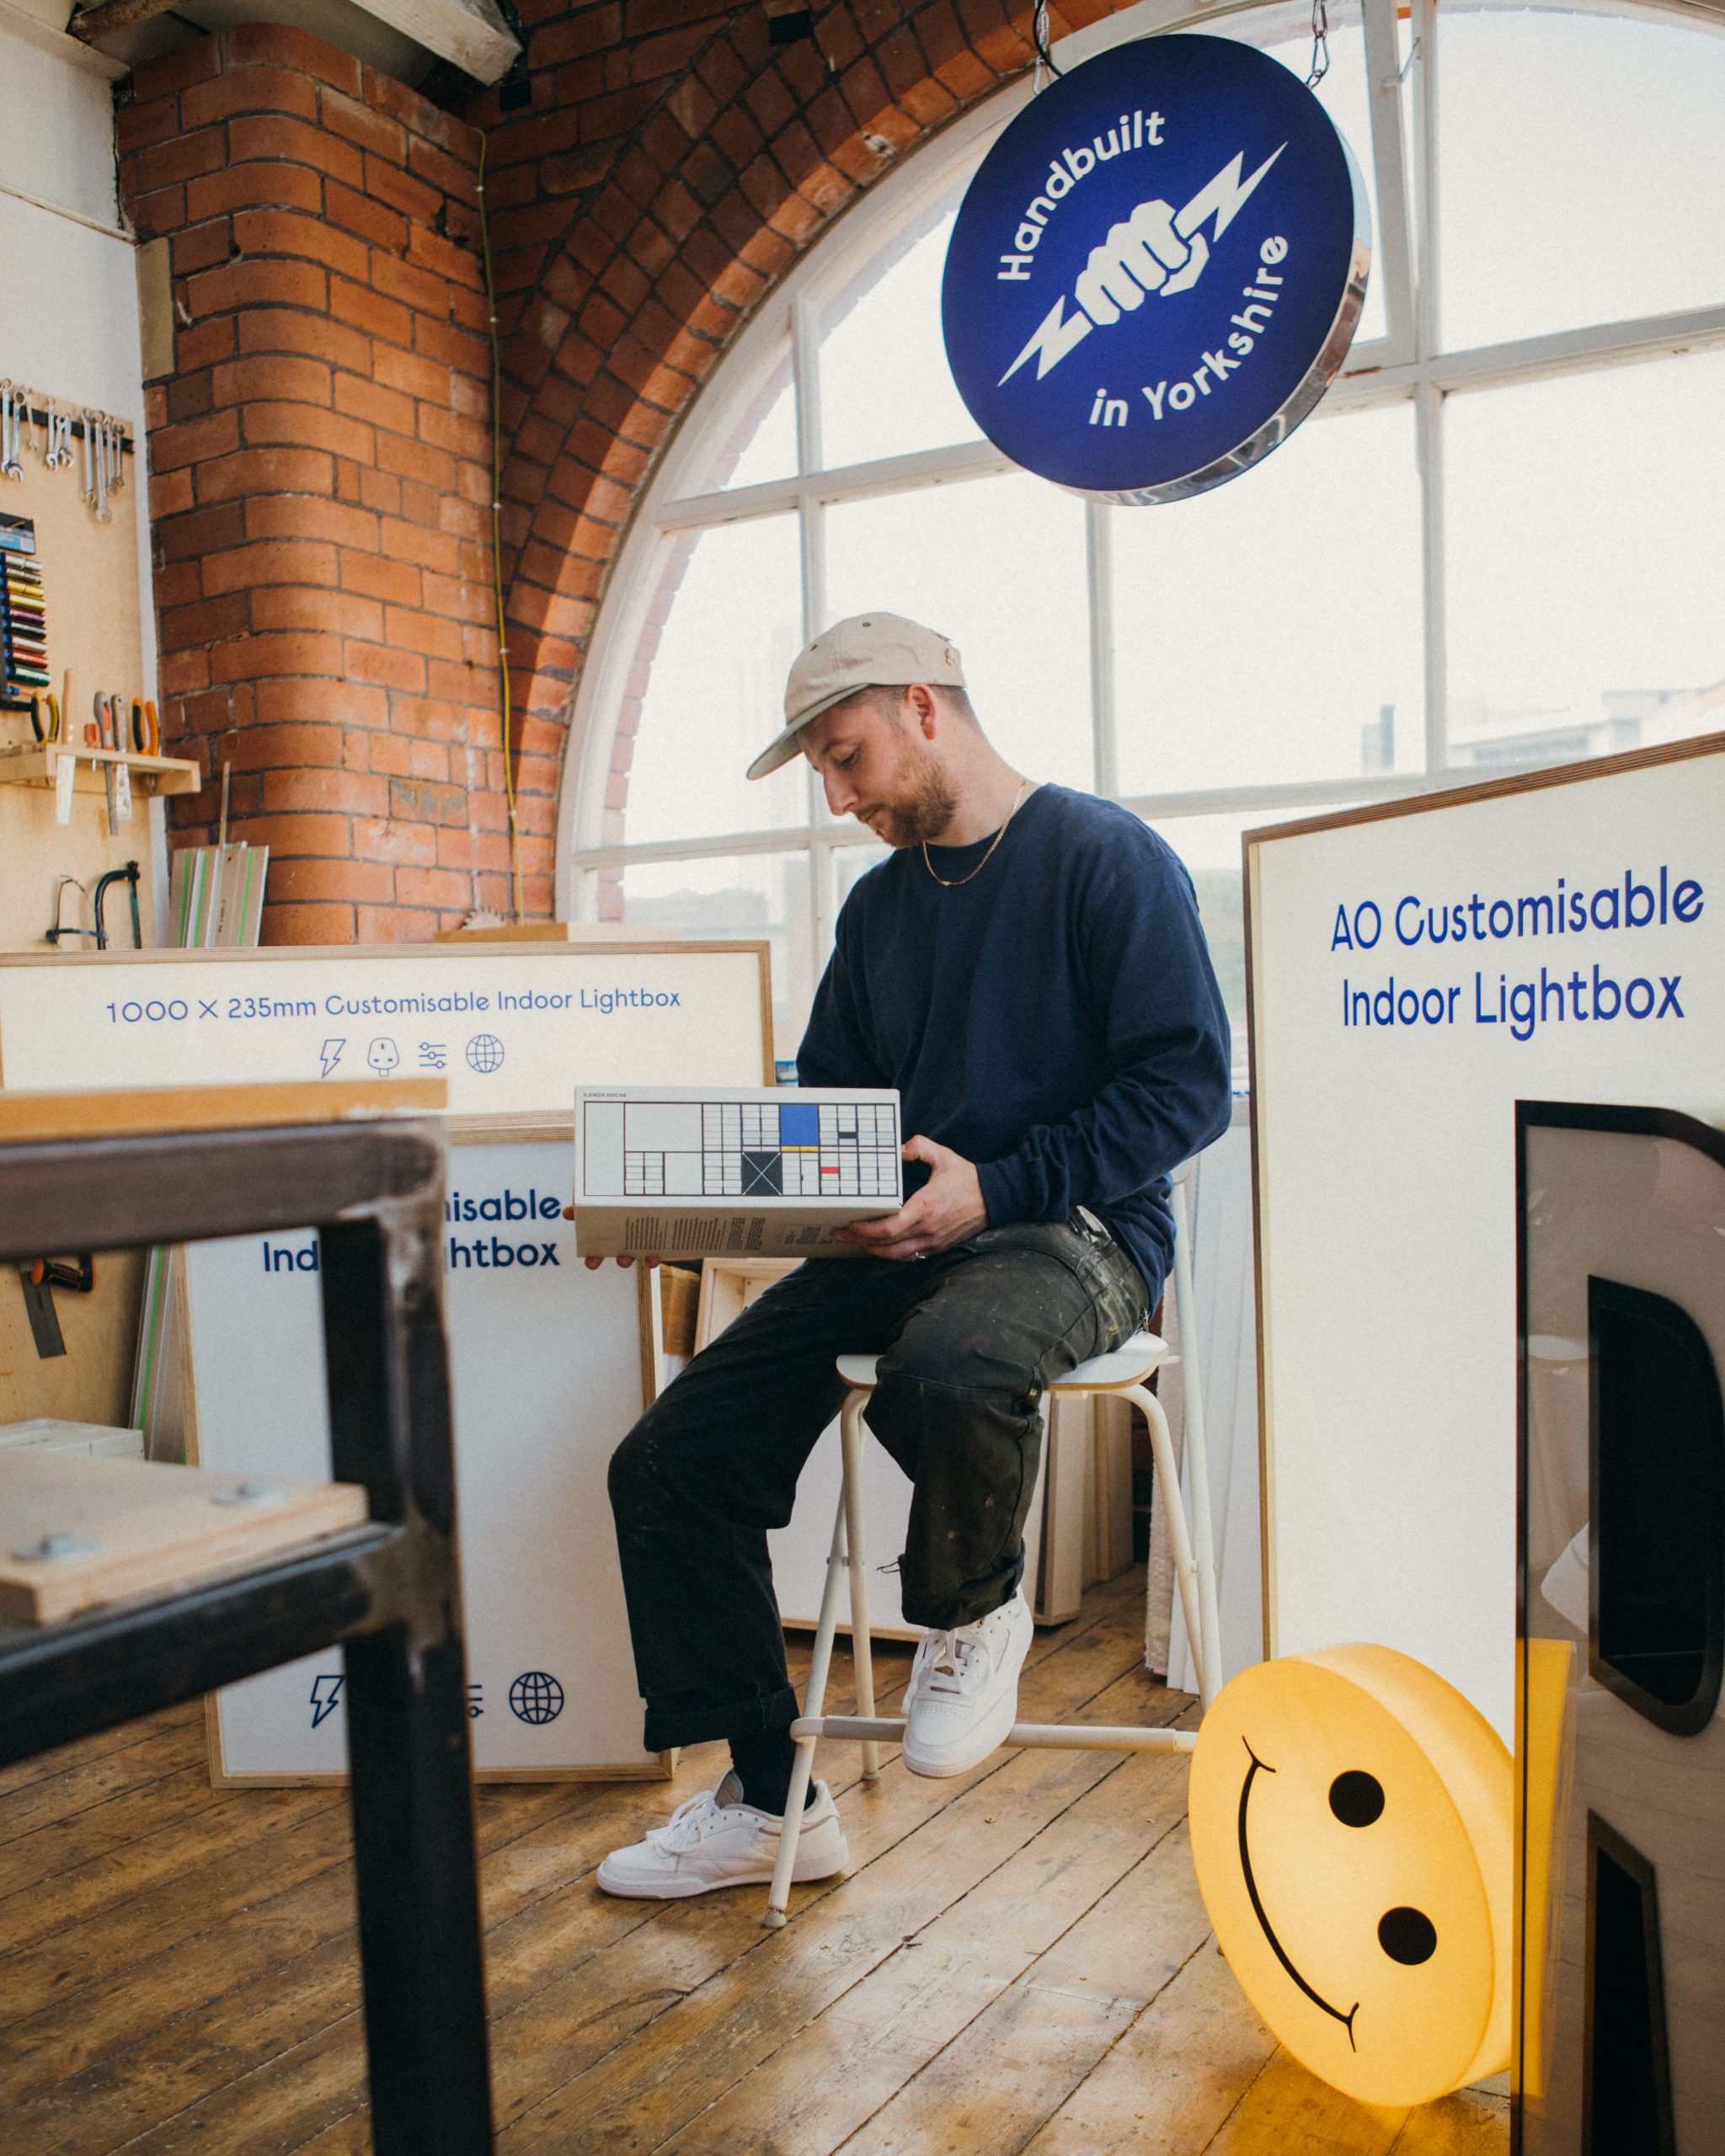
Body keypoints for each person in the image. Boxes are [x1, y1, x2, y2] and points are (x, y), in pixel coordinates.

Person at [595, 611, 1231, 1901]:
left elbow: (1188, 1090)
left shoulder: (1106, 859)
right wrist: (700, 1216)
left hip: (1079, 1230)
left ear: (923, 708)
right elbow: (833, 1115)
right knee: (667, 1463)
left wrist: (994, 1188)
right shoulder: (879, 910)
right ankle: (768, 1801)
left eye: (847, 757)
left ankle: (971, 1606)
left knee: (949, 1363)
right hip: (904, 1242)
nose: (839, 799)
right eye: (823, 775)